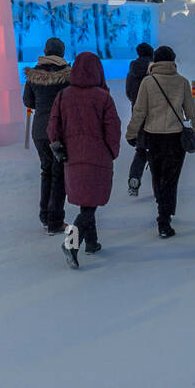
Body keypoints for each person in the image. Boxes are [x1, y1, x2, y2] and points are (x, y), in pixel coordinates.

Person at [47, 51, 121, 269]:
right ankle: (71, 243)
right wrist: (111, 151)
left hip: (73, 155)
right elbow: (113, 128)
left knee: (87, 199)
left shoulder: (63, 96)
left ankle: (92, 242)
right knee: (91, 202)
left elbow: (53, 126)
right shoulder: (103, 97)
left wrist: (58, 146)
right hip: (98, 155)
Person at [125, 45, 195, 238]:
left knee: (157, 176)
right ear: (173, 60)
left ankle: (162, 211)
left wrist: (131, 133)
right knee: (171, 179)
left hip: (153, 136)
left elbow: (139, 111)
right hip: (175, 138)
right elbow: (191, 110)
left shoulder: (148, 82)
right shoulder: (182, 82)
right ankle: (165, 217)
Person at [22, 37, 72, 235]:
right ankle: (55, 220)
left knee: (46, 171)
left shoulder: (34, 74)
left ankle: (45, 216)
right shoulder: (68, 75)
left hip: (39, 131)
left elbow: (28, 101)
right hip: (59, 131)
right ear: (62, 52)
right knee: (59, 174)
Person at [123, 42, 154, 196]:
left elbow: (129, 92)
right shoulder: (155, 70)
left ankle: (134, 180)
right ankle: (158, 185)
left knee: (141, 150)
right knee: (157, 150)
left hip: (138, 113)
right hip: (156, 113)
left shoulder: (132, 71)